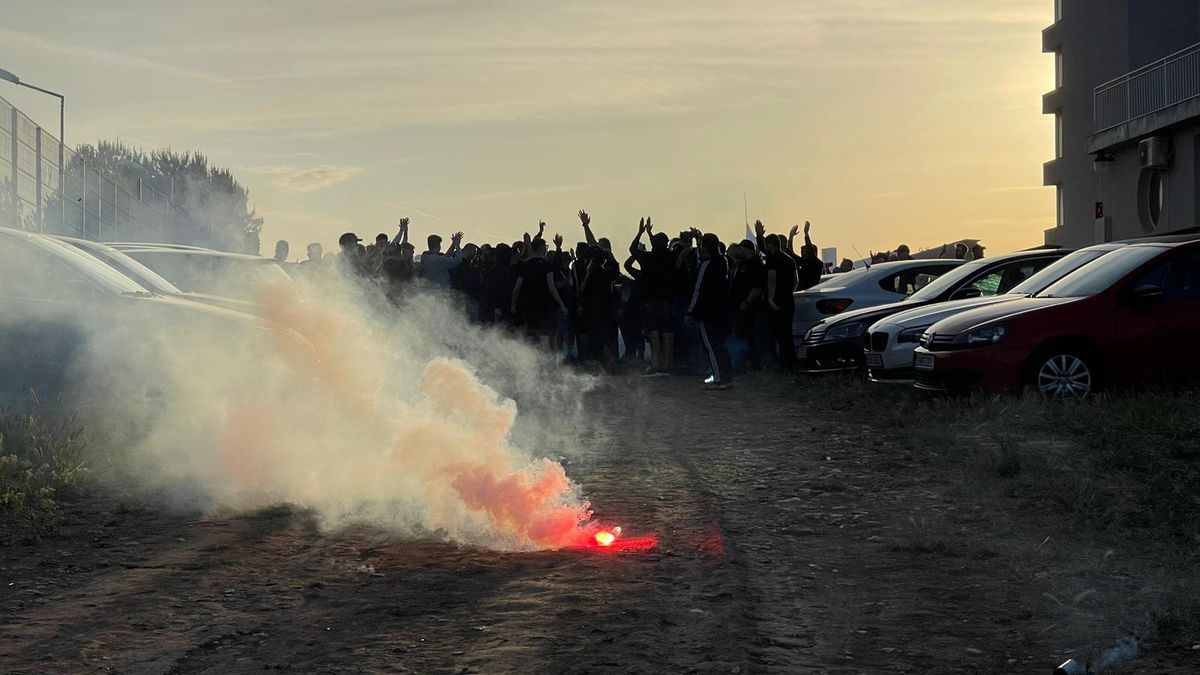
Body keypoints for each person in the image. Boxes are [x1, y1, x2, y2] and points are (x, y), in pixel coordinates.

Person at [628, 217, 675, 375]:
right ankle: (667, 364)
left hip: (649, 300)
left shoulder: (647, 258)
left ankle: (656, 364)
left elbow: (632, 249)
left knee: (653, 331)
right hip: (666, 299)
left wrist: (640, 232)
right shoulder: (670, 257)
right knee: (667, 331)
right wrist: (650, 234)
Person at [687, 232, 733, 389]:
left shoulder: (707, 264)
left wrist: (690, 312)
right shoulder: (724, 262)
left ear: (704, 248)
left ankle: (719, 378)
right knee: (720, 345)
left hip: (707, 313)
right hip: (723, 311)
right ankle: (726, 376)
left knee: (711, 346)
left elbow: (698, 290)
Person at [511, 236, 568, 349]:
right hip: (544, 306)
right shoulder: (546, 266)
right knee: (544, 337)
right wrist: (561, 304)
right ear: (542, 248)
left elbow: (517, 287)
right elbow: (552, 287)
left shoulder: (525, 266)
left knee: (529, 337)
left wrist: (513, 304)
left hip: (527, 306)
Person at [728, 241, 766, 370]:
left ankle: (755, 365)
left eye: (740, 249)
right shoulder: (741, 264)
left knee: (752, 337)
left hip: (751, 309)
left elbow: (757, 287)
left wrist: (746, 302)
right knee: (742, 336)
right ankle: (743, 364)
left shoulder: (756, 265)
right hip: (739, 308)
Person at [763, 231, 798, 368]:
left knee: (773, 333)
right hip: (788, 300)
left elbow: (771, 279)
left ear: (770, 245)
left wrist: (770, 299)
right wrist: (789, 292)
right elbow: (796, 280)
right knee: (787, 334)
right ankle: (789, 362)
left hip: (776, 301)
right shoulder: (790, 259)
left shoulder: (773, 259)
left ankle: (777, 363)